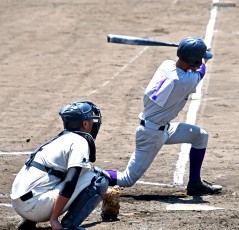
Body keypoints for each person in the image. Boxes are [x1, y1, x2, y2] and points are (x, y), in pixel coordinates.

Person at [106, 37, 222, 196]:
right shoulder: (184, 81)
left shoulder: (166, 65)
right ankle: (88, 175)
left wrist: (196, 54)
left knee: (200, 135)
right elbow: (201, 70)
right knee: (127, 179)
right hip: (151, 134)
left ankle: (195, 183)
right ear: (193, 60)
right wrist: (204, 58)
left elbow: (191, 66)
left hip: (162, 127)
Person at [10, 101, 111, 230]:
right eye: (92, 120)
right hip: (35, 207)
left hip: (19, 204)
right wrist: (54, 218)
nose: (95, 124)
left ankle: (29, 222)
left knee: (58, 174)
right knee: (100, 178)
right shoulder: (79, 142)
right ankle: (69, 226)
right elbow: (70, 181)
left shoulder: (60, 139)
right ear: (85, 124)